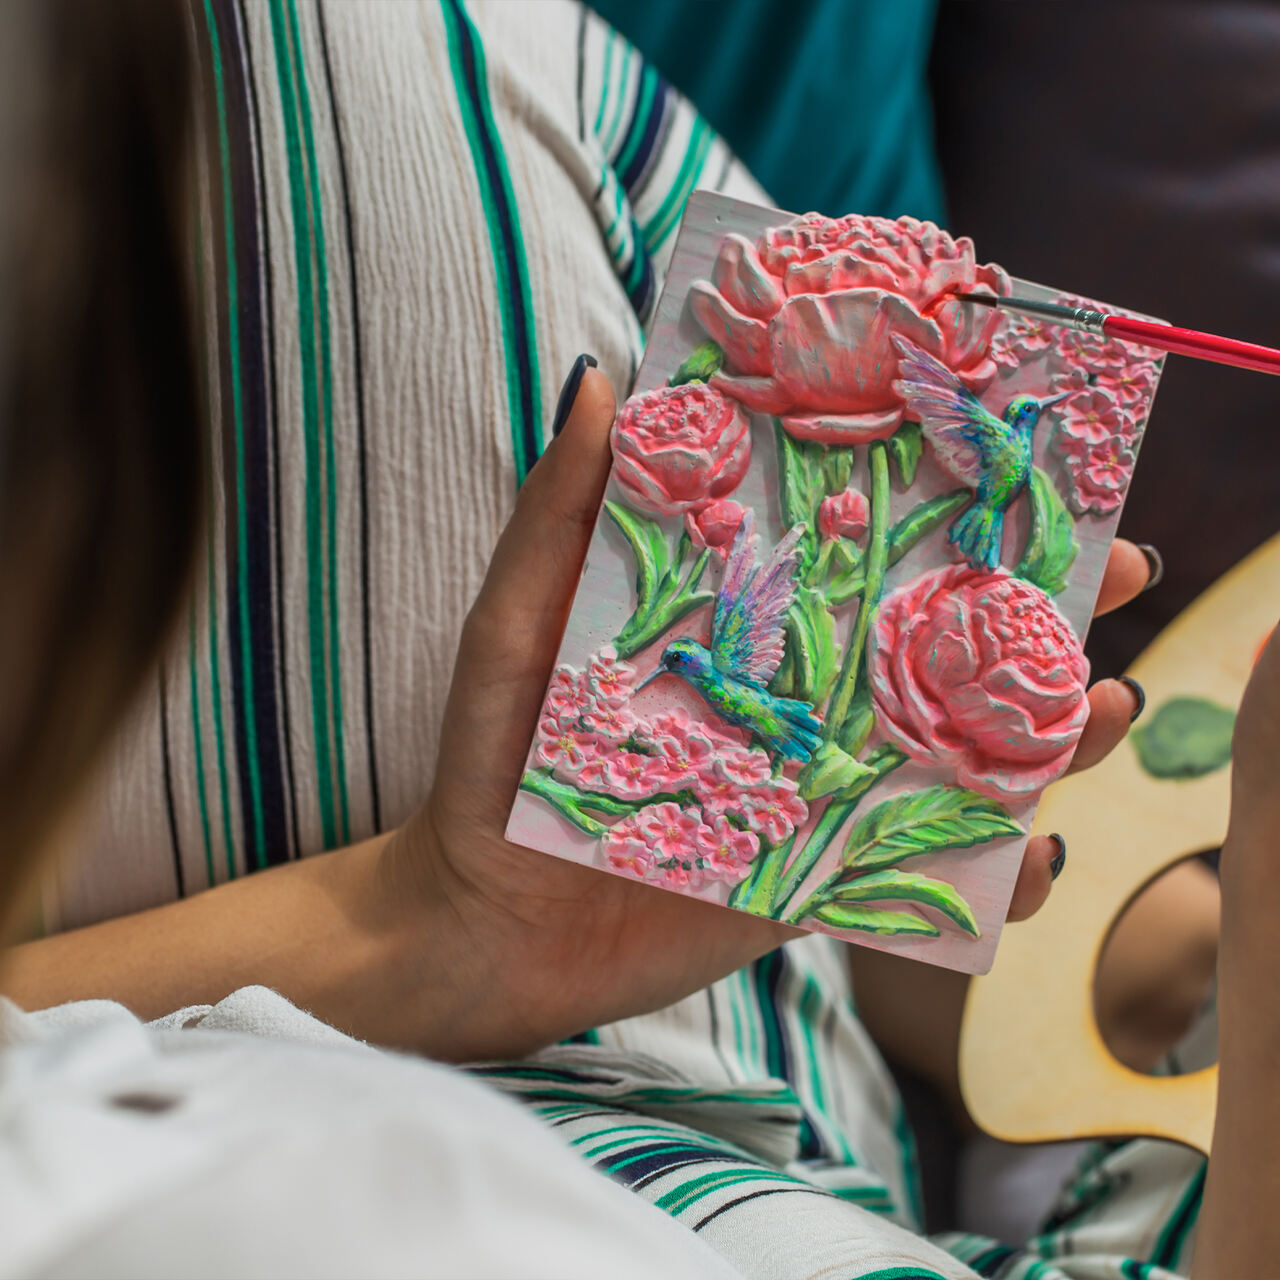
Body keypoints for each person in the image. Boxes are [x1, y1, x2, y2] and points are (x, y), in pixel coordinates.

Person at [0, 2, 1262, 1277]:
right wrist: (427, 928)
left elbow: (813, 872)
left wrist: (1155, 955)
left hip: (764, 1085)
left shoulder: (539, 91)